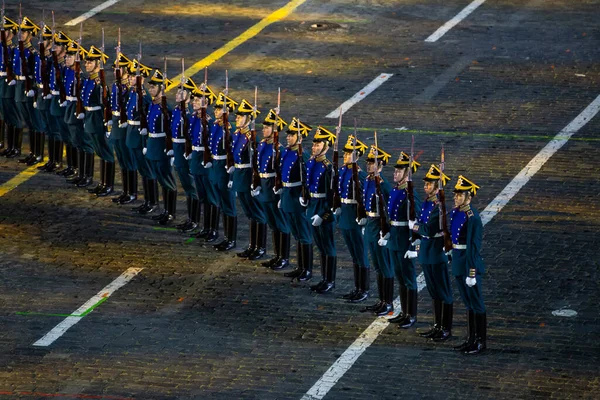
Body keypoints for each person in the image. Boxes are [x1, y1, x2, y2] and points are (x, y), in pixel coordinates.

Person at [410, 164, 453, 341]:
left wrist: (415, 226)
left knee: (443, 292)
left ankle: (446, 328)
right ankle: (437, 325)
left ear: (437, 187)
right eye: (426, 184)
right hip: (427, 252)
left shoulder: (439, 207)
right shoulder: (428, 202)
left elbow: (427, 228)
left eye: (429, 184)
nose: (425, 187)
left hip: (436, 252)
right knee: (434, 291)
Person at [449, 175, 486, 354]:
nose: (456, 197)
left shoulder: (473, 218)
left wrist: (472, 273)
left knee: (476, 303)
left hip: (468, 264)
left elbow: (473, 247)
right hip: (458, 260)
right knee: (468, 303)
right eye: (456, 194)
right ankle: (471, 338)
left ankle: (480, 341)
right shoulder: (456, 213)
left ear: (469, 197)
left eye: (460, 195)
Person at [252, 109, 291, 269]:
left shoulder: (279, 149)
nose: (264, 129)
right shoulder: (262, 144)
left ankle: (284, 257)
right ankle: (277, 255)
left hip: (274, 190)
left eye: (268, 127)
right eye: (264, 127)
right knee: (273, 223)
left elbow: (282, 172)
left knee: (281, 223)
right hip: (264, 188)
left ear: (275, 130)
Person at [386, 152, 421, 328]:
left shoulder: (410, 195)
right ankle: (404, 312)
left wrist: (414, 246)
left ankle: (412, 314)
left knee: (409, 278)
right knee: (400, 277)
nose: (395, 174)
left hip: (404, 241)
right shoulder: (395, 190)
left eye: (399, 171)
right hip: (394, 239)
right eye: (395, 171)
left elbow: (417, 222)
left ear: (408, 174)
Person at [334, 135, 370, 302]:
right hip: (346, 217)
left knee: (361, 254)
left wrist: (363, 218)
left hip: (355, 218)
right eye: (346, 153)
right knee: (354, 254)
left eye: (350, 153)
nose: (346, 155)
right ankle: (357, 287)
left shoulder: (360, 176)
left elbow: (364, 200)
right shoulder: (343, 171)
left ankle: (364, 289)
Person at [360, 144, 394, 316]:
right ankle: (381, 300)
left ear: (380, 166)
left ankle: (388, 303)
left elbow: (390, 213)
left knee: (386, 267)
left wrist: (387, 232)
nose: (368, 165)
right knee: (378, 267)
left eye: (373, 163)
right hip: (371, 227)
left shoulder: (384, 186)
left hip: (380, 230)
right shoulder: (368, 181)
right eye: (368, 162)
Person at [280, 117, 313, 281]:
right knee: (297, 233)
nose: (288, 137)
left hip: (297, 198)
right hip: (288, 196)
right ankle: (300, 266)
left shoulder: (303, 156)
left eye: (292, 135)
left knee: (304, 233)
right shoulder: (287, 152)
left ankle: (307, 269)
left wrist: (305, 197)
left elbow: (308, 180)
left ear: (300, 138)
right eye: (288, 134)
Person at [144, 68, 177, 225]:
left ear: (161, 88)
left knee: (167, 180)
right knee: (160, 179)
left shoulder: (167, 109)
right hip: (153, 145)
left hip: (162, 148)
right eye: (150, 87)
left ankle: (171, 212)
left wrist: (170, 152)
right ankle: (165, 210)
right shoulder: (152, 105)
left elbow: (170, 132)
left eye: (154, 87)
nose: (151, 89)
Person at [306, 126, 337, 293]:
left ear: (326, 147)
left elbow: (331, 199)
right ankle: (324, 278)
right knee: (320, 246)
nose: (314, 147)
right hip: (313, 206)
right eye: (314, 144)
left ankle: (330, 280)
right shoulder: (312, 162)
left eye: (318, 144)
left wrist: (322, 215)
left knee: (328, 246)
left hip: (323, 211)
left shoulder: (327, 167)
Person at [82, 45, 115, 196]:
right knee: (100, 152)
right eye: (87, 62)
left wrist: (107, 126)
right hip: (90, 119)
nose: (86, 64)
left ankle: (108, 185)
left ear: (98, 65)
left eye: (90, 62)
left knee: (106, 153)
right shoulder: (89, 81)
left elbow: (105, 106)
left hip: (97, 120)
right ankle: (102, 183)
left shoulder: (100, 84)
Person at [207, 92, 238, 249]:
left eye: (219, 109)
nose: (215, 111)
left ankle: (231, 239)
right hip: (215, 167)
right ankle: (223, 235)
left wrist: (232, 178)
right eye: (216, 108)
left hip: (224, 170)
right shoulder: (215, 126)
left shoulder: (228, 130)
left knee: (228, 204)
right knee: (219, 200)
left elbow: (232, 156)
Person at [126, 59, 156, 214]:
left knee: (147, 170)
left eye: (133, 76)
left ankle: (152, 201)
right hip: (132, 134)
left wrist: (145, 142)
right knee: (142, 170)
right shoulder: (133, 92)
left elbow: (147, 121)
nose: (130, 78)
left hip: (139, 136)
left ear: (141, 79)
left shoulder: (143, 96)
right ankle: (147, 200)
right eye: (130, 76)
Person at [63, 40, 94, 188]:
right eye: (67, 56)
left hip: (78, 112)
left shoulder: (80, 77)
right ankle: (80, 173)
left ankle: (87, 175)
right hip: (70, 109)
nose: (66, 58)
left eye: (70, 56)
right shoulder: (69, 72)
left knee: (84, 144)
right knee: (77, 142)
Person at [187, 83, 217, 238]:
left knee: (211, 196)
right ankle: (205, 227)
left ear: (206, 103)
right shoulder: (194, 117)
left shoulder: (209, 121)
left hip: (206, 161)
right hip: (196, 160)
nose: (194, 102)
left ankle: (213, 229)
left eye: (198, 100)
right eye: (194, 99)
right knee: (202, 196)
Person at [170, 77, 199, 232]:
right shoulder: (176, 110)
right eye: (178, 91)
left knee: (191, 186)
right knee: (186, 186)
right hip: (178, 150)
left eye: (182, 92)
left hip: (184, 151)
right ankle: (190, 218)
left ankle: (194, 220)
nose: (178, 94)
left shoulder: (188, 114)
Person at [108, 52, 137, 204]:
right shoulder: (116, 85)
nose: (115, 71)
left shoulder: (128, 89)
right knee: (122, 160)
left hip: (125, 129)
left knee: (129, 160)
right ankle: (125, 191)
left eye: (118, 69)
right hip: (117, 126)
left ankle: (132, 192)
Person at [15, 16, 44, 166]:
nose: (21, 34)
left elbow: (34, 75)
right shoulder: (20, 50)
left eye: (24, 32)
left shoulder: (32, 53)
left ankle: (38, 153)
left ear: (30, 35)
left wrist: (32, 90)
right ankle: (33, 152)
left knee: (35, 122)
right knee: (29, 122)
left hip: (30, 90)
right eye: (20, 31)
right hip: (21, 86)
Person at [35, 24, 63, 173]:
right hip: (49, 98)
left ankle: (57, 161)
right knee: (49, 130)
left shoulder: (59, 65)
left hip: (56, 100)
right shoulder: (49, 61)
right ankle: (52, 159)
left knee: (56, 131)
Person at [50, 31, 77, 178]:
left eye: (69, 56)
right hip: (65, 106)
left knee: (73, 139)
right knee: (66, 137)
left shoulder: (76, 74)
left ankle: (75, 167)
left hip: (71, 109)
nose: (66, 58)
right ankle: (70, 166)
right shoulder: (65, 70)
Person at [0, 16, 22, 159]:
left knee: (12, 115)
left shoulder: (13, 50)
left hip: (8, 84)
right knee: (3, 113)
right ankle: (3, 143)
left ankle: (15, 146)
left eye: (6, 30)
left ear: (12, 34)